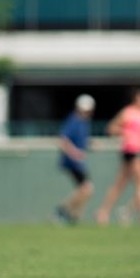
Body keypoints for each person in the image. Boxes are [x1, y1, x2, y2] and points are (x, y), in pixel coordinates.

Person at [94, 88, 140, 226]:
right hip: (131, 151)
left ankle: (103, 211)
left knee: (121, 184)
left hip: (138, 149)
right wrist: (125, 132)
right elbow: (110, 128)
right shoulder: (127, 112)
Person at [53, 94, 95, 224]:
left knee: (85, 190)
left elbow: (81, 141)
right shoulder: (74, 120)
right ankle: (63, 211)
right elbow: (63, 140)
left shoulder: (83, 122)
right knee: (86, 188)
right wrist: (74, 153)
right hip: (72, 162)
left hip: (77, 162)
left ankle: (73, 215)